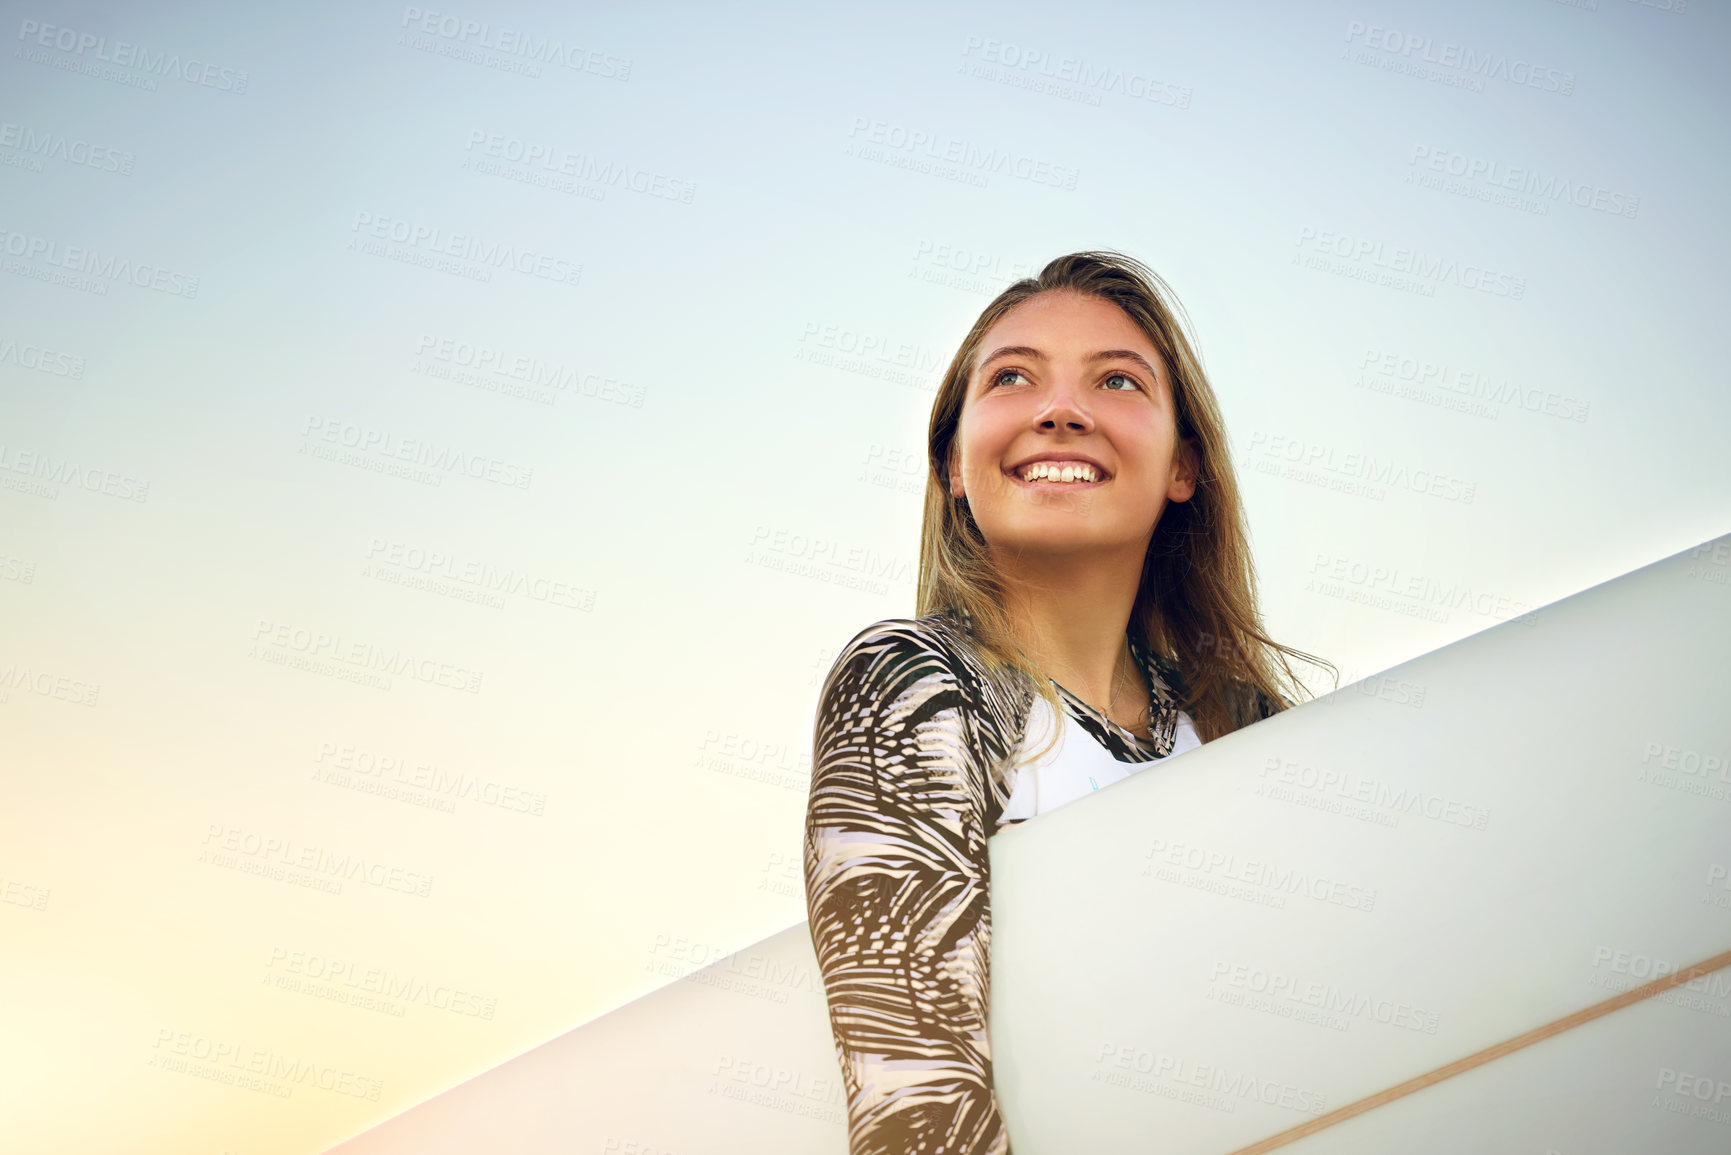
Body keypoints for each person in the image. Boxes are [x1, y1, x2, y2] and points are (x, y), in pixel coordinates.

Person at [802, 250, 1334, 1154]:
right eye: (1012, 377)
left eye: (1117, 380)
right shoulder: (918, 683)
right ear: (953, 468)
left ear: (1183, 465)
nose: (1058, 410)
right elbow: (914, 1104)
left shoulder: (1240, 721)